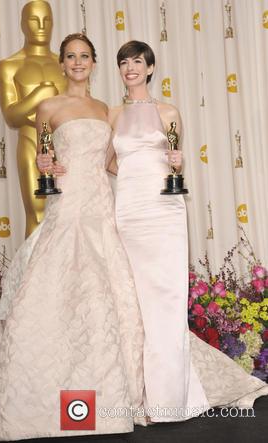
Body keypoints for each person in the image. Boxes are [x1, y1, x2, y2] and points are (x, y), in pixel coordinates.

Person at [0, 34, 145, 440]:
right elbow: (43, 158)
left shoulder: (105, 109)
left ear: (94, 62)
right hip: (67, 205)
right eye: (70, 56)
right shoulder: (46, 107)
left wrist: (152, 176)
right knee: (54, 284)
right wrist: (46, 163)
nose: (77, 62)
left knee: (107, 289)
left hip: (100, 207)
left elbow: (110, 161)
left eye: (84, 56)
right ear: (62, 62)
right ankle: (51, 401)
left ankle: (111, 393)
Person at [107, 40, 268, 422]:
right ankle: (139, 394)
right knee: (134, 303)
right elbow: (108, 162)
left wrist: (175, 166)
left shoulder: (169, 111)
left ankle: (170, 398)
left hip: (165, 211)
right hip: (129, 211)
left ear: (150, 68)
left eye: (137, 62)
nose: (130, 68)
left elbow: (175, 167)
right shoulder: (112, 114)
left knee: (166, 299)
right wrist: (131, 176)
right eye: (124, 62)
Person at [0, 0, 67, 237]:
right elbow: (11, 117)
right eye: (34, 20)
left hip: (66, 145)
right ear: (22, 25)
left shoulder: (65, 65)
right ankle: (33, 274)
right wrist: (40, 95)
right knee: (37, 214)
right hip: (30, 141)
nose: (41, 26)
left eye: (47, 20)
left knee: (69, 216)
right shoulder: (9, 66)